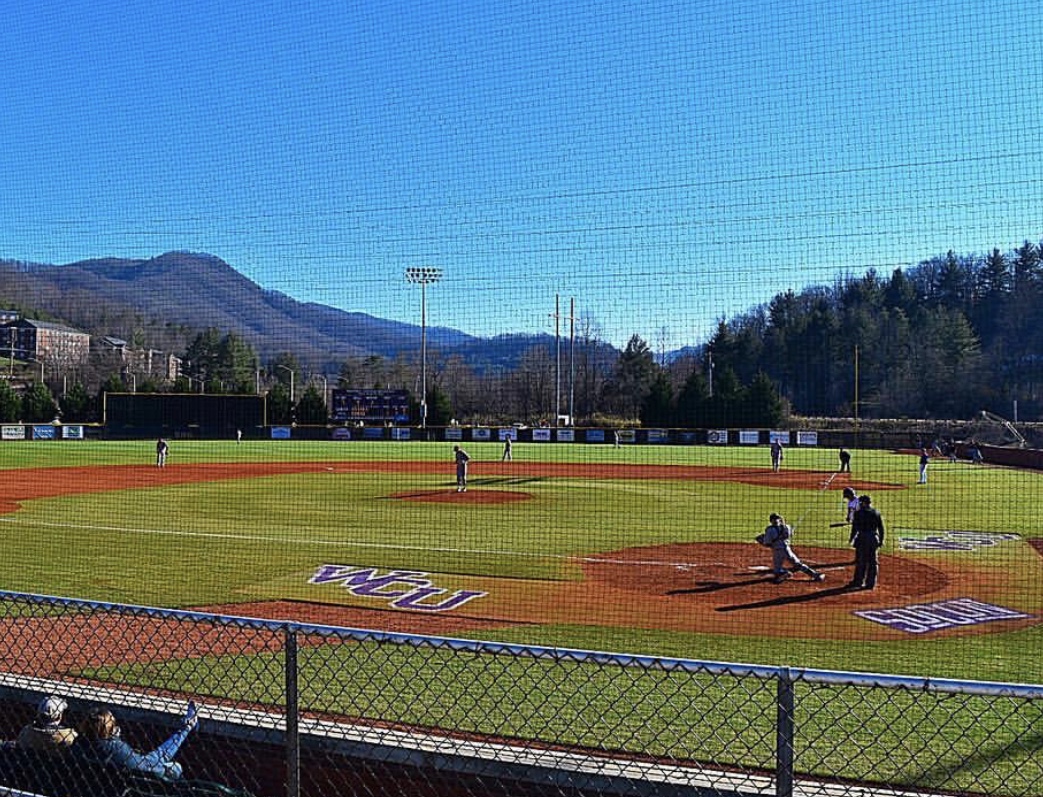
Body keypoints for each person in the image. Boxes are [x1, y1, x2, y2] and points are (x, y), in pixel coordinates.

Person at [73, 701, 198, 780]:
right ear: (110, 728)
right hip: (148, 776)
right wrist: (116, 741)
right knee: (173, 766)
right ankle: (187, 727)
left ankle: (186, 728)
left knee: (159, 754)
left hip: (111, 781)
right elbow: (140, 766)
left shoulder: (79, 744)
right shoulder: (116, 747)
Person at [757, 513, 825, 584]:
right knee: (798, 564)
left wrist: (761, 540)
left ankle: (784, 573)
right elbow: (789, 535)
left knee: (777, 570)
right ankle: (816, 575)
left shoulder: (770, 530)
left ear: (771, 521)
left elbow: (767, 543)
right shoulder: (787, 527)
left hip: (778, 551)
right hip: (787, 549)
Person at [848, 494, 885, 590]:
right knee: (873, 562)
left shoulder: (858, 513)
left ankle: (858, 581)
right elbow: (881, 528)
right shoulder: (876, 513)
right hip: (873, 539)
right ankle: (871, 583)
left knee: (861, 561)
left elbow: (855, 528)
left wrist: (851, 538)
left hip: (862, 539)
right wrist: (881, 540)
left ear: (864, 503)